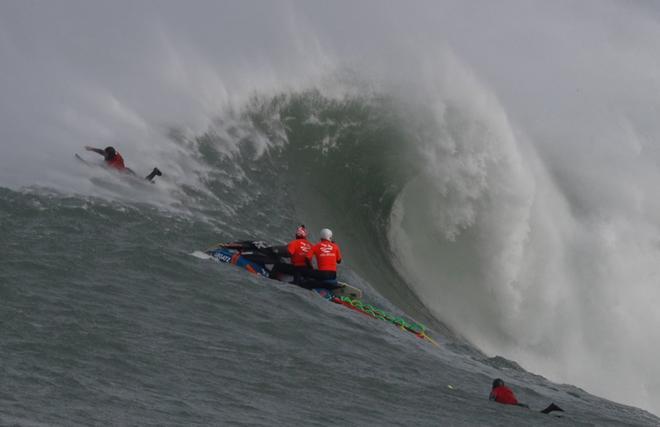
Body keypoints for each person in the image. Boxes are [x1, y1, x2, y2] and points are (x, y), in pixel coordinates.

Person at [84, 146, 162, 182]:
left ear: (110, 155)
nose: (105, 154)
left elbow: (105, 168)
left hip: (127, 174)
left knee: (144, 183)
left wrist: (90, 165)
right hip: (126, 170)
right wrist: (91, 149)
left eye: (106, 154)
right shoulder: (111, 154)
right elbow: (101, 152)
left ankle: (155, 171)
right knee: (143, 181)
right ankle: (151, 180)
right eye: (105, 153)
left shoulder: (115, 161)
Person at [489, 378, 564, 414]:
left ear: (494, 385)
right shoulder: (507, 389)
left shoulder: (494, 391)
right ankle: (551, 408)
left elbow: (491, 401)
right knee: (538, 413)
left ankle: (551, 408)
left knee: (539, 415)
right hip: (520, 405)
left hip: (513, 407)